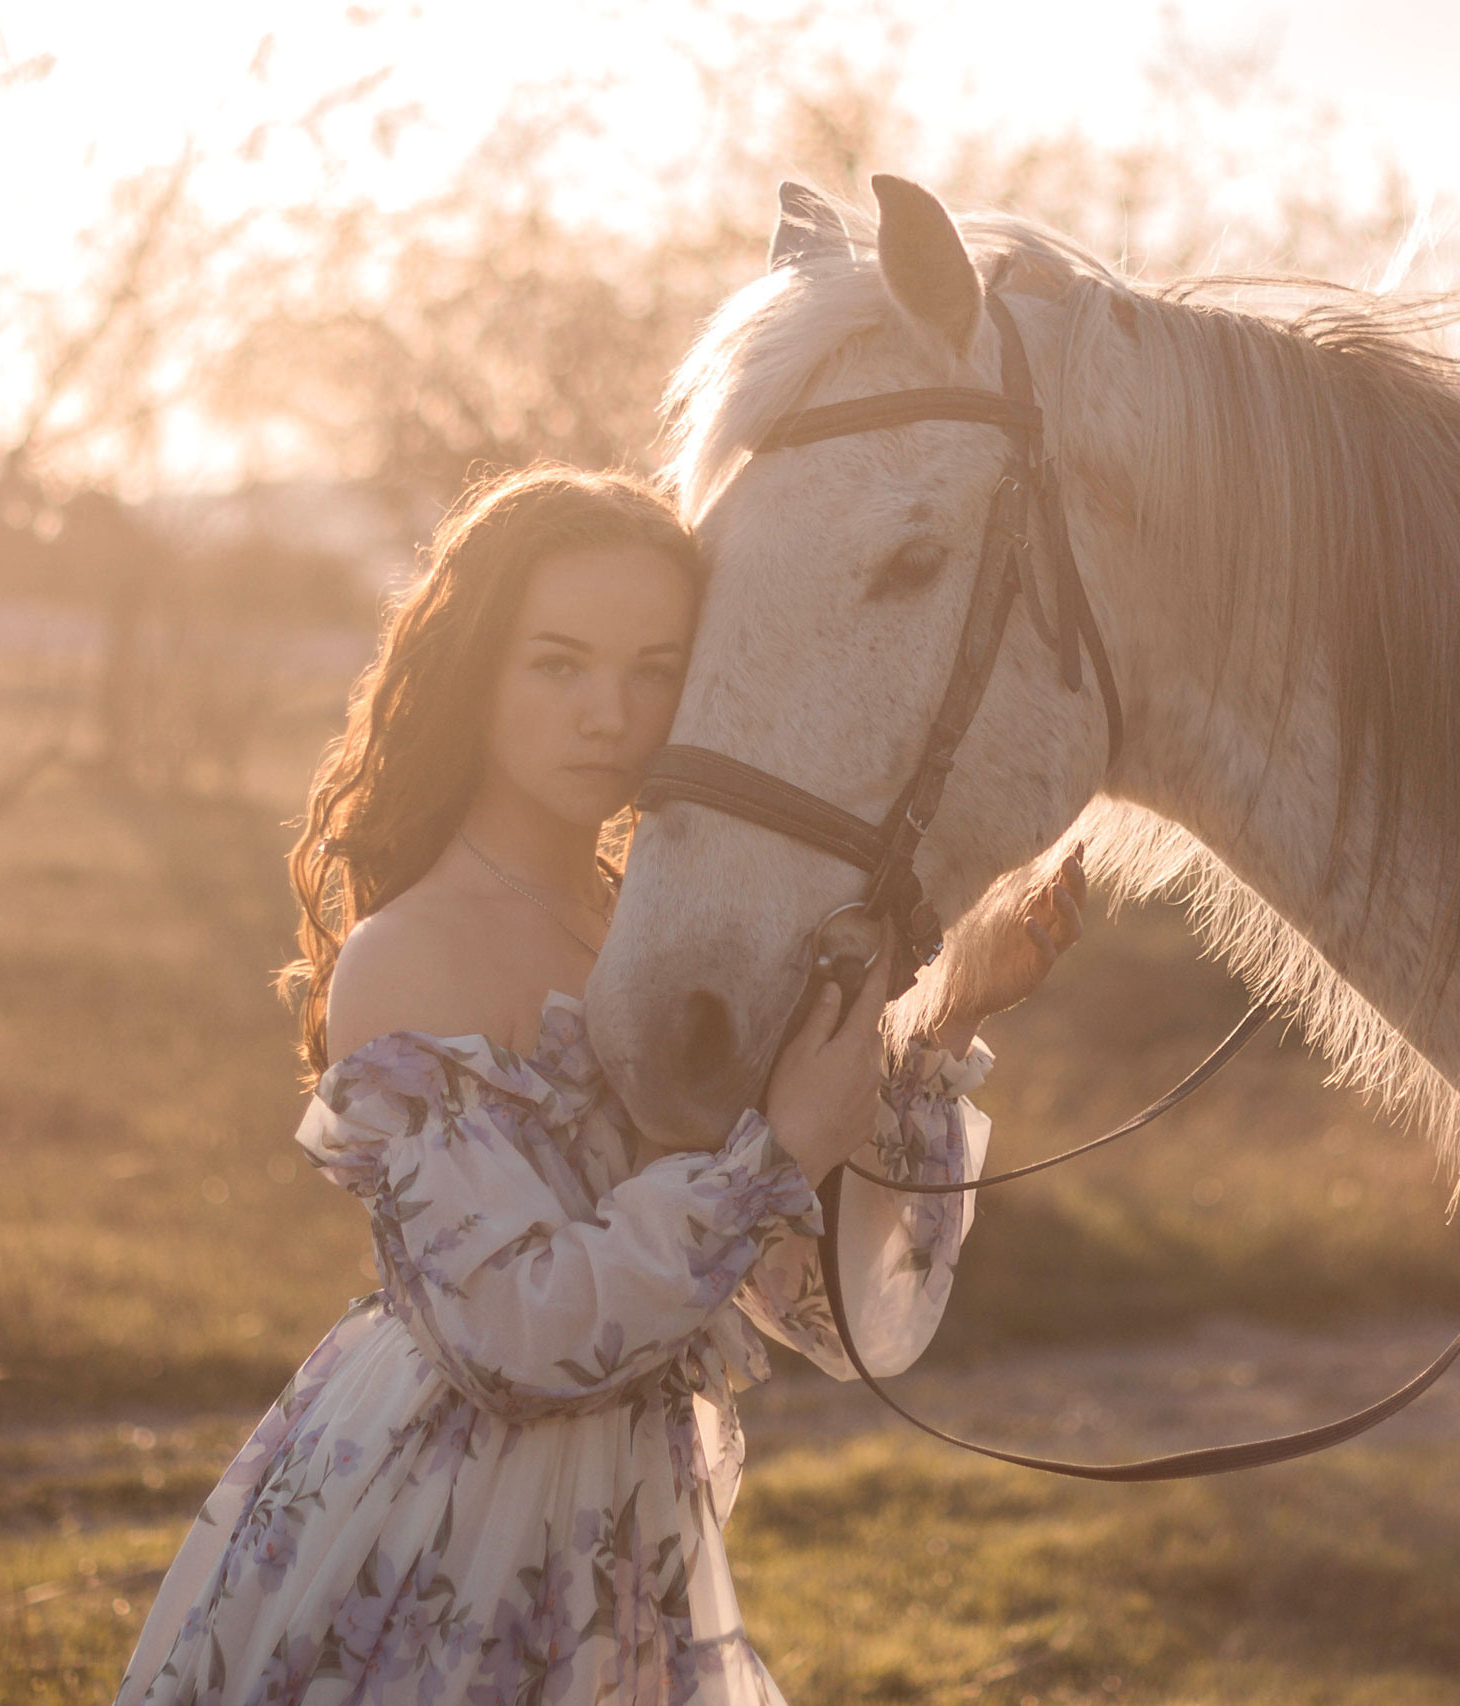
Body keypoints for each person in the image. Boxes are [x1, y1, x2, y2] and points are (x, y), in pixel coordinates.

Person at [115, 465, 1085, 1706]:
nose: (608, 715)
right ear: (475, 673)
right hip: (435, 1538)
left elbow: (817, 1304)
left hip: (628, 1547)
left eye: (653, 669)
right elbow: (511, 1334)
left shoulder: (663, 941)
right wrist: (764, 1157)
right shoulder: (407, 955)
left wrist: (948, 1008)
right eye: (556, 663)